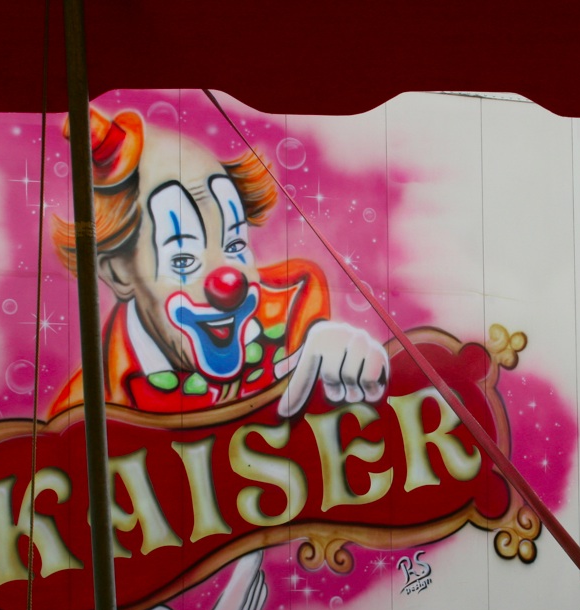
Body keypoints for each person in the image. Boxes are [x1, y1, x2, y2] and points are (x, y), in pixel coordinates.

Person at [49, 107, 387, 419]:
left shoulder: (295, 311)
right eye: (183, 259)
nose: (228, 283)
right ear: (119, 273)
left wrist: (355, 369)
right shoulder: (83, 414)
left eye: (235, 244)